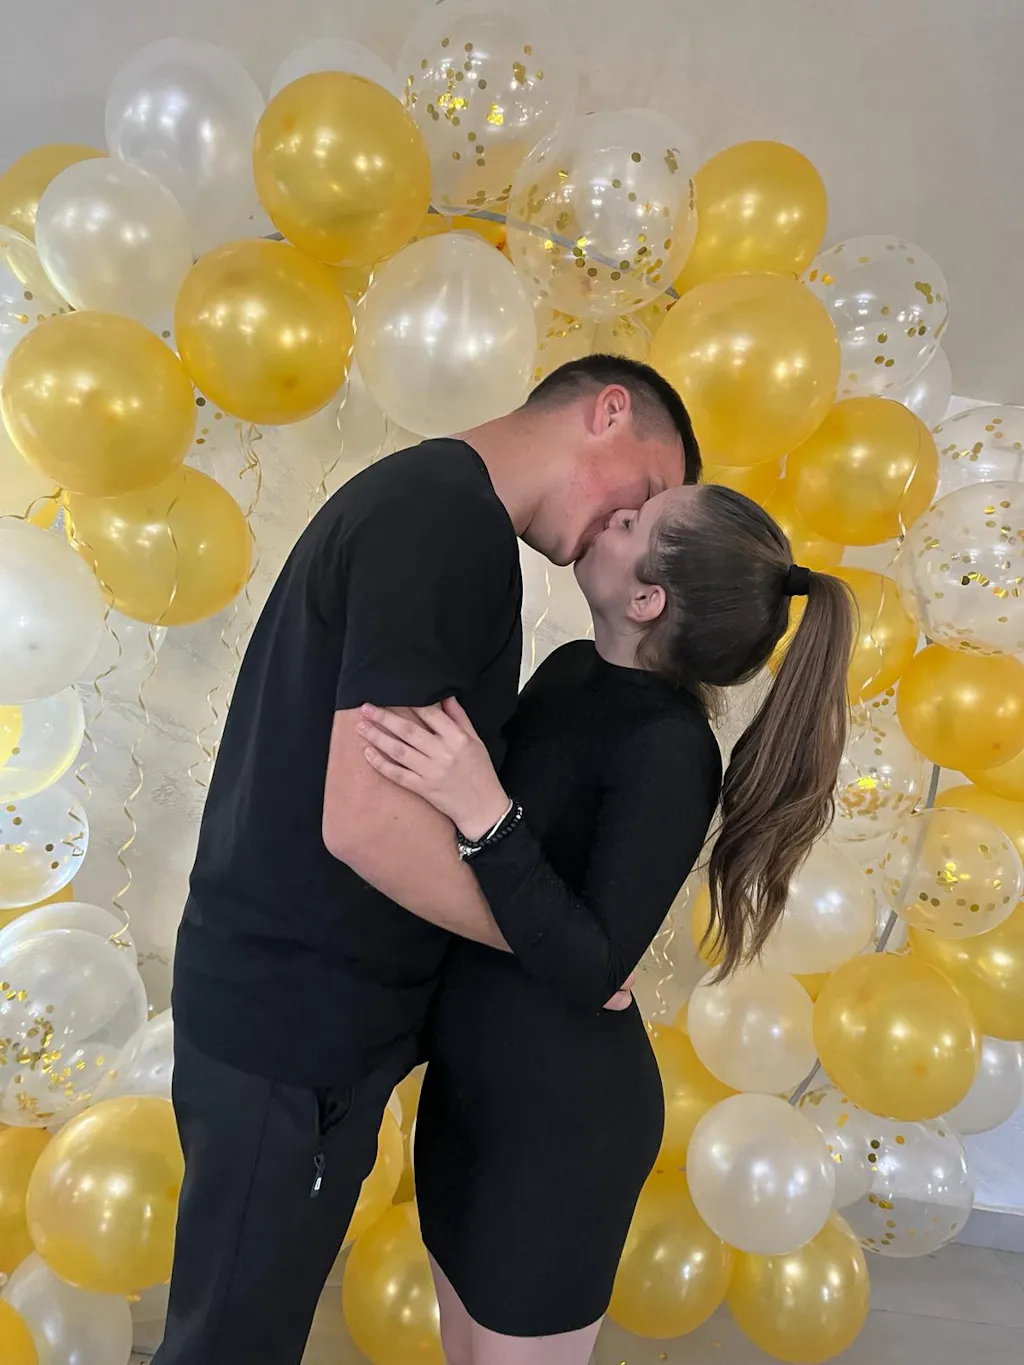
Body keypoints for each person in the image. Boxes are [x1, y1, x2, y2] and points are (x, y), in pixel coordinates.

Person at [155, 355, 700, 1365]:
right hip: (293, 1020)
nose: (629, 531)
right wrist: (567, 953)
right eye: (648, 493)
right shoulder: (446, 523)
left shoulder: (438, 508)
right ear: (610, 412)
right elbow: (366, 821)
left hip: (292, 1013)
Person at [358, 482, 855, 1365]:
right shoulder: (567, 671)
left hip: (558, 1126)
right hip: (470, 1094)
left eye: (633, 523)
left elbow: (590, 965)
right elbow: (512, 888)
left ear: (647, 598)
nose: (609, 515)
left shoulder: (671, 748)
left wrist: (483, 808)